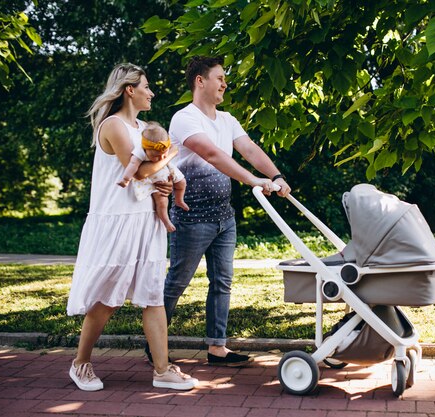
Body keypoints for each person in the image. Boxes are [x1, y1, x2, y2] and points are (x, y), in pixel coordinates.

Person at [145, 56, 291, 367]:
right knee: (177, 281)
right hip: (191, 215)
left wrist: (276, 176)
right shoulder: (184, 118)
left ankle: (217, 348)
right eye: (220, 77)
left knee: (222, 281)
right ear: (200, 81)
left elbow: (249, 149)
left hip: (224, 217)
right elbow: (211, 154)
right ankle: (154, 343)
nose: (225, 83)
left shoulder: (227, 120)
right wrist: (252, 179)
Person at [66, 63, 198, 391]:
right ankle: (80, 363)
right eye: (146, 86)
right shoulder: (113, 125)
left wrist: (164, 185)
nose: (151, 92)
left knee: (153, 295)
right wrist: (170, 159)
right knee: (107, 298)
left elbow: (152, 174)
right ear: (129, 90)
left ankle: (163, 370)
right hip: (116, 223)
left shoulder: (144, 126)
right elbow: (139, 171)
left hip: (146, 221)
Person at [117, 121, 189, 232]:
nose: (161, 158)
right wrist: (126, 179)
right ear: (146, 149)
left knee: (182, 182)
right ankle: (166, 220)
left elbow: (173, 149)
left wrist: (168, 155)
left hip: (167, 169)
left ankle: (179, 199)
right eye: (156, 156)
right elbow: (133, 165)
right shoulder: (140, 151)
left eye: (164, 154)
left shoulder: (161, 147)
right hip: (153, 179)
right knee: (162, 201)